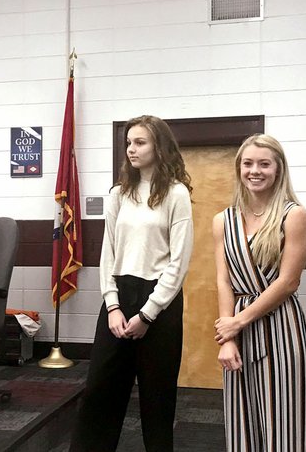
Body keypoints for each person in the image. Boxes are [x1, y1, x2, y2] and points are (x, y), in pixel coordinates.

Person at [70, 115, 194, 452]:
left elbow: (179, 261)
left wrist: (148, 314)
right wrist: (112, 304)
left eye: (140, 142)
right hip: (119, 299)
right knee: (99, 392)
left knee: (157, 398)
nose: (131, 149)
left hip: (160, 303)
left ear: (159, 146)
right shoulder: (119, 194)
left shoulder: (176, 194)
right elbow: (108, 253)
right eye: (129, 143)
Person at [212, 134, 306, 451]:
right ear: (239, 167)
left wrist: (238, 322)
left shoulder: (294, 215)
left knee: (283, 419)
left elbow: (288, 282)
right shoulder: (222, 220)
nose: (255, 170)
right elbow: (223, 281)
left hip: (280, 324)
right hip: (237, 330)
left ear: (278, 169)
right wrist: (227, 338)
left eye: (264, 164)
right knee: (242, 418)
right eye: (248, 163)